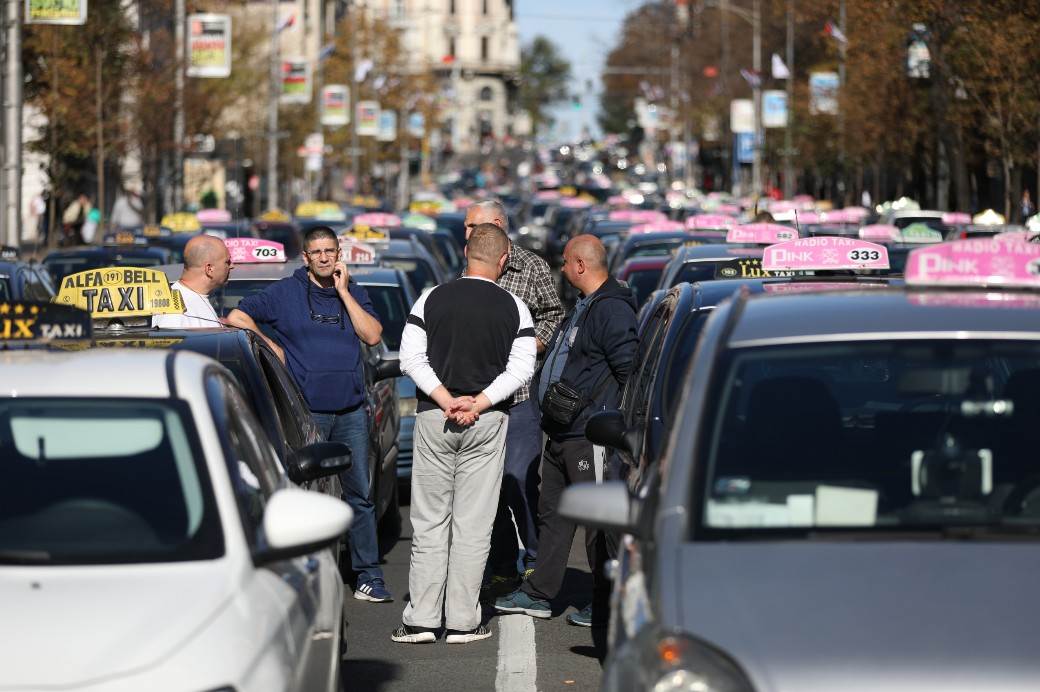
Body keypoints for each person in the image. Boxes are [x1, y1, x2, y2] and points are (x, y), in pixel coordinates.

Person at [225, 226, 391, 603]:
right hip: (306, 412)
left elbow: (373, 335)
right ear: (306, 257)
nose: (323, 257)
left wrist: (345, 292)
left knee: (359, 495)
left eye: (329, 251)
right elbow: (236, 317)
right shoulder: (284, 293)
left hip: (350, 410)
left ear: (338, 253)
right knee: (308, 497)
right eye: (316, 252)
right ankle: (308, 573)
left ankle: (368, 575)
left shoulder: (352, 291)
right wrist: (270, 345)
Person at [393, 223, 536, 644]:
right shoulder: (514, 306)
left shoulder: (430, 298)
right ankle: (463, 621)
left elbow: (410, 358)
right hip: (487, 422)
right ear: (504, 259)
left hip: (434, 418)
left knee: (430, 521)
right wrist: (480, 402)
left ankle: (420, 619)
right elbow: (522, 368)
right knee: (474, 525)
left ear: (465, 253)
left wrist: (443, 398)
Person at [495, 234, 638, 628]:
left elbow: (628, 370)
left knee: (597, 523)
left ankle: (605, 601)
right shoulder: (586, 305)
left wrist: (605, 416)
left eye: (565, 261)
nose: (561, 267)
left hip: (589, 435)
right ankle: (540, 592)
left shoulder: (612, 310)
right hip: (562, 431)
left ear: (580, 265)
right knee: (552, 514)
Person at [463, 200, 564, 593]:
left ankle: (536, 558)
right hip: (478, 392)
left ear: (498, 224)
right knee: (489, 484)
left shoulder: (532, 266)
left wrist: (530, 348)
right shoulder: (469, 266)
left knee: (519, 478)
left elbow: (554, 315)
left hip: (520, 393)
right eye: (467, 226)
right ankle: (503, 561)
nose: (468, 232)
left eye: (475, 225)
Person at [153, 234, 232, 329]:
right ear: (209, 269)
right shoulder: (175, 311)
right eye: (227, 262)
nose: (232, 266)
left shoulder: (194, 298)